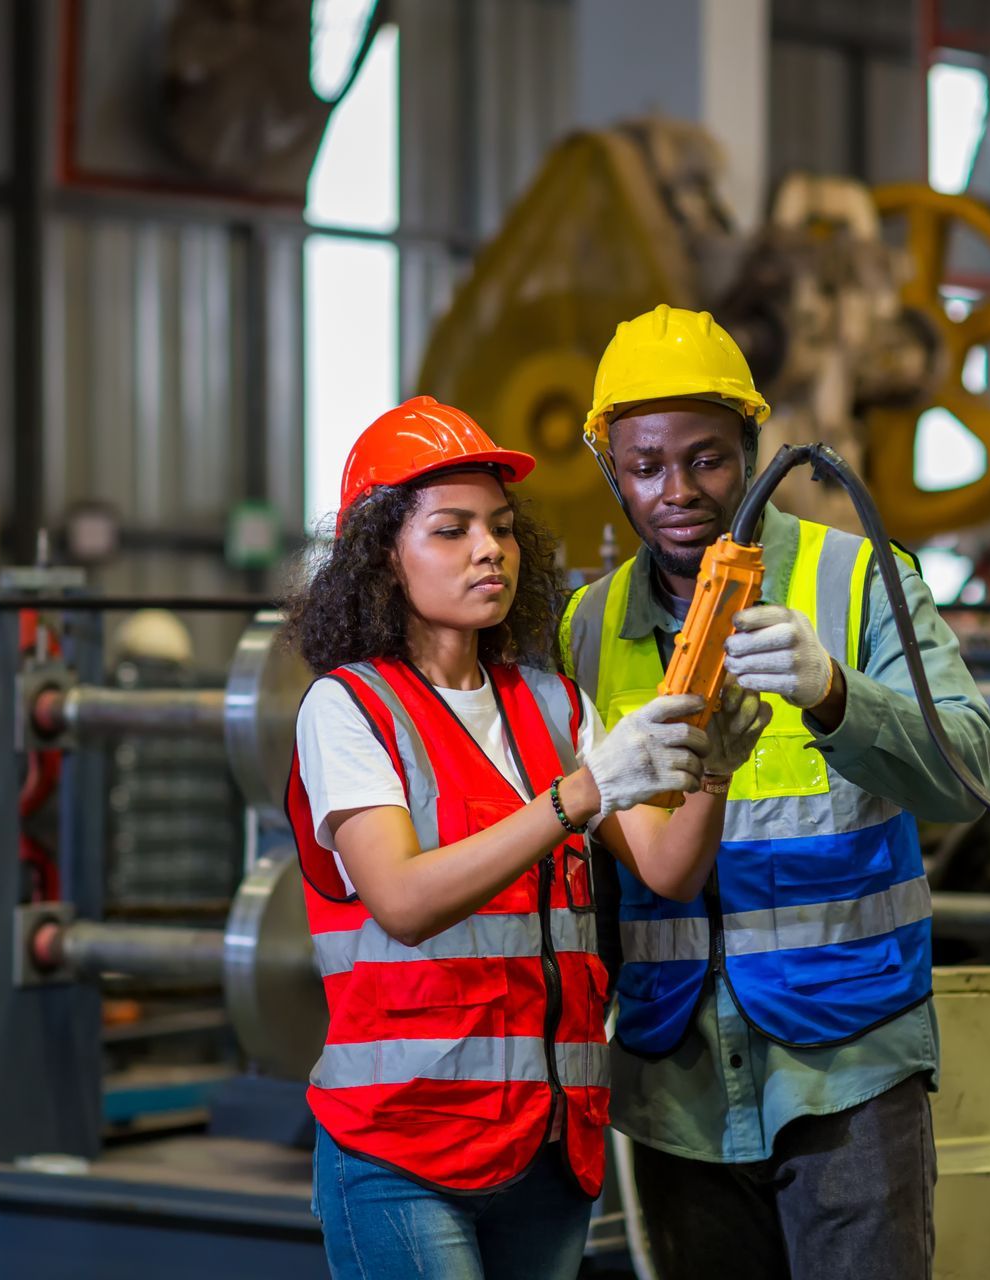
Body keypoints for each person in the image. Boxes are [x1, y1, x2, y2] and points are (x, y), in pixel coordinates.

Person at [558, 307, 990, 1280]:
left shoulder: (856, 581)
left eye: (708, 458)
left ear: (753, 447)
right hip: (676, 1078)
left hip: (845, 1066)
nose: (677, 491)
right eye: (644, 465)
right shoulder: (588, 629)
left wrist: (839, 691)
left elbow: (972, 768)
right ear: (610, 468)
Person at [283, 395, 769, 1280]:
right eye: (451, 530)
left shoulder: (554, 704)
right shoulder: (350, 709)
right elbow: (402, 900)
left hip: (548, 1146)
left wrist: (713, 773)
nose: (488, 551)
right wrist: (580, 794)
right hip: (402, 1149)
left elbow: (665, 868)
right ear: (381, 559)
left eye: (501, 530)